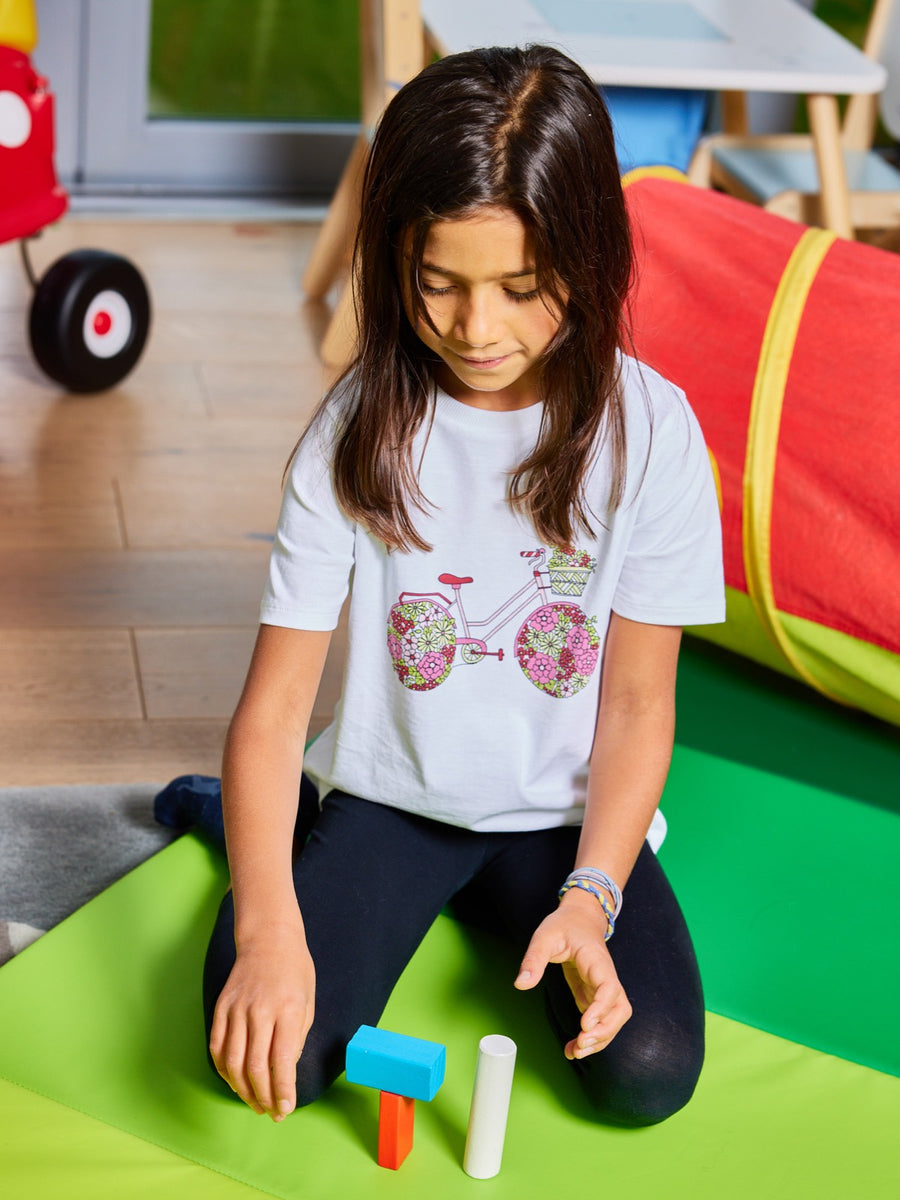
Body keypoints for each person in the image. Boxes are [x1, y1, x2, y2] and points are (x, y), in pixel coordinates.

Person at [200, 44, 725, 1131]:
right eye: (437, 283)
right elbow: (275, 709)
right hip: (394, 804)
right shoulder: (358, 430)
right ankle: (232, 828)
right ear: (394, 258)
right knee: (268, 1065)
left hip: (561, 826)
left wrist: (593, 897)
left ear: (587, 257)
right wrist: (266, 933)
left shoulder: (655, 436)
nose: (475, 329)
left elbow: (635, 705)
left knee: (649, 1073)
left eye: (521, 290)